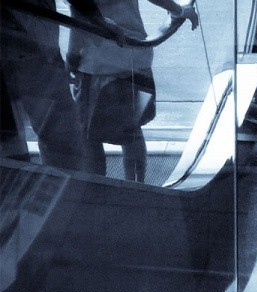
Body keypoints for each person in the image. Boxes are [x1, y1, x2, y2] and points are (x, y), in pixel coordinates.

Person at [65, 0, 197, 181]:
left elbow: (79, 13)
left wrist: (72, 57)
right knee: (132, 132)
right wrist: (179, 11)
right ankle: (137, 185)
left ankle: (96, 187)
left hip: (96, 64)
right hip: (135, 57)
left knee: (88, 134)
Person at [0, 1, 90, 169]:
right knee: (62, 143)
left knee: (11, 144)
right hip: (39, 55)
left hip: (35, 55)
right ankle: (67, 189)